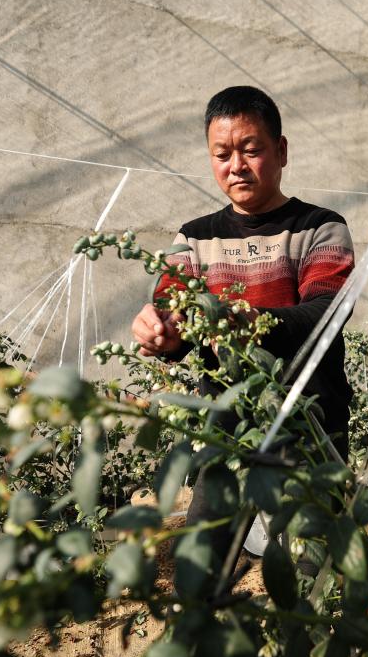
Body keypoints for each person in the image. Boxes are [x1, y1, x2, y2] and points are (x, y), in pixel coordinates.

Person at [130, 85, 355, 565]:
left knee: (315, 566)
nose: (237, 166)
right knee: (202, 561)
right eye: (222, 154)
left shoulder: (321, 227)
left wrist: (251, 321)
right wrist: (159, 331)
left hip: (309, 423)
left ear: (281, 151)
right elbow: (173, 314)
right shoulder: (194, 239)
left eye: (251, 150)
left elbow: (328, 310)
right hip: (228, 428)